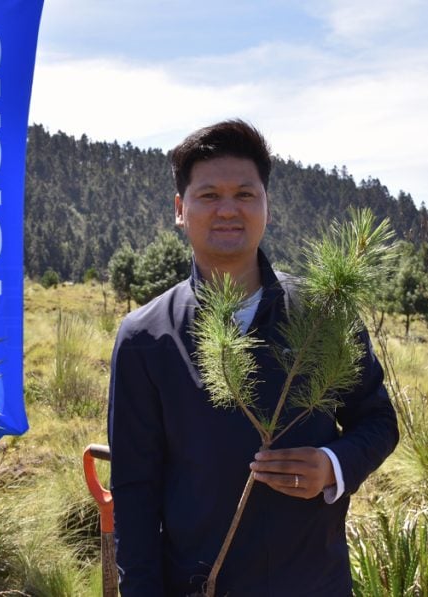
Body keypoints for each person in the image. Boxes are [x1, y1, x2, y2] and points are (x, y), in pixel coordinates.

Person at [107, 120, 399, 596]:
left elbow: (379, 421)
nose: (228, 209)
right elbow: (134, 490)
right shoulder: (145, 337)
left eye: (245, 194)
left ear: (267, 206)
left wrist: (333, 464)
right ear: (180, 210)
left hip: (314, 583)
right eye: (209, 195)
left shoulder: (324, 313)